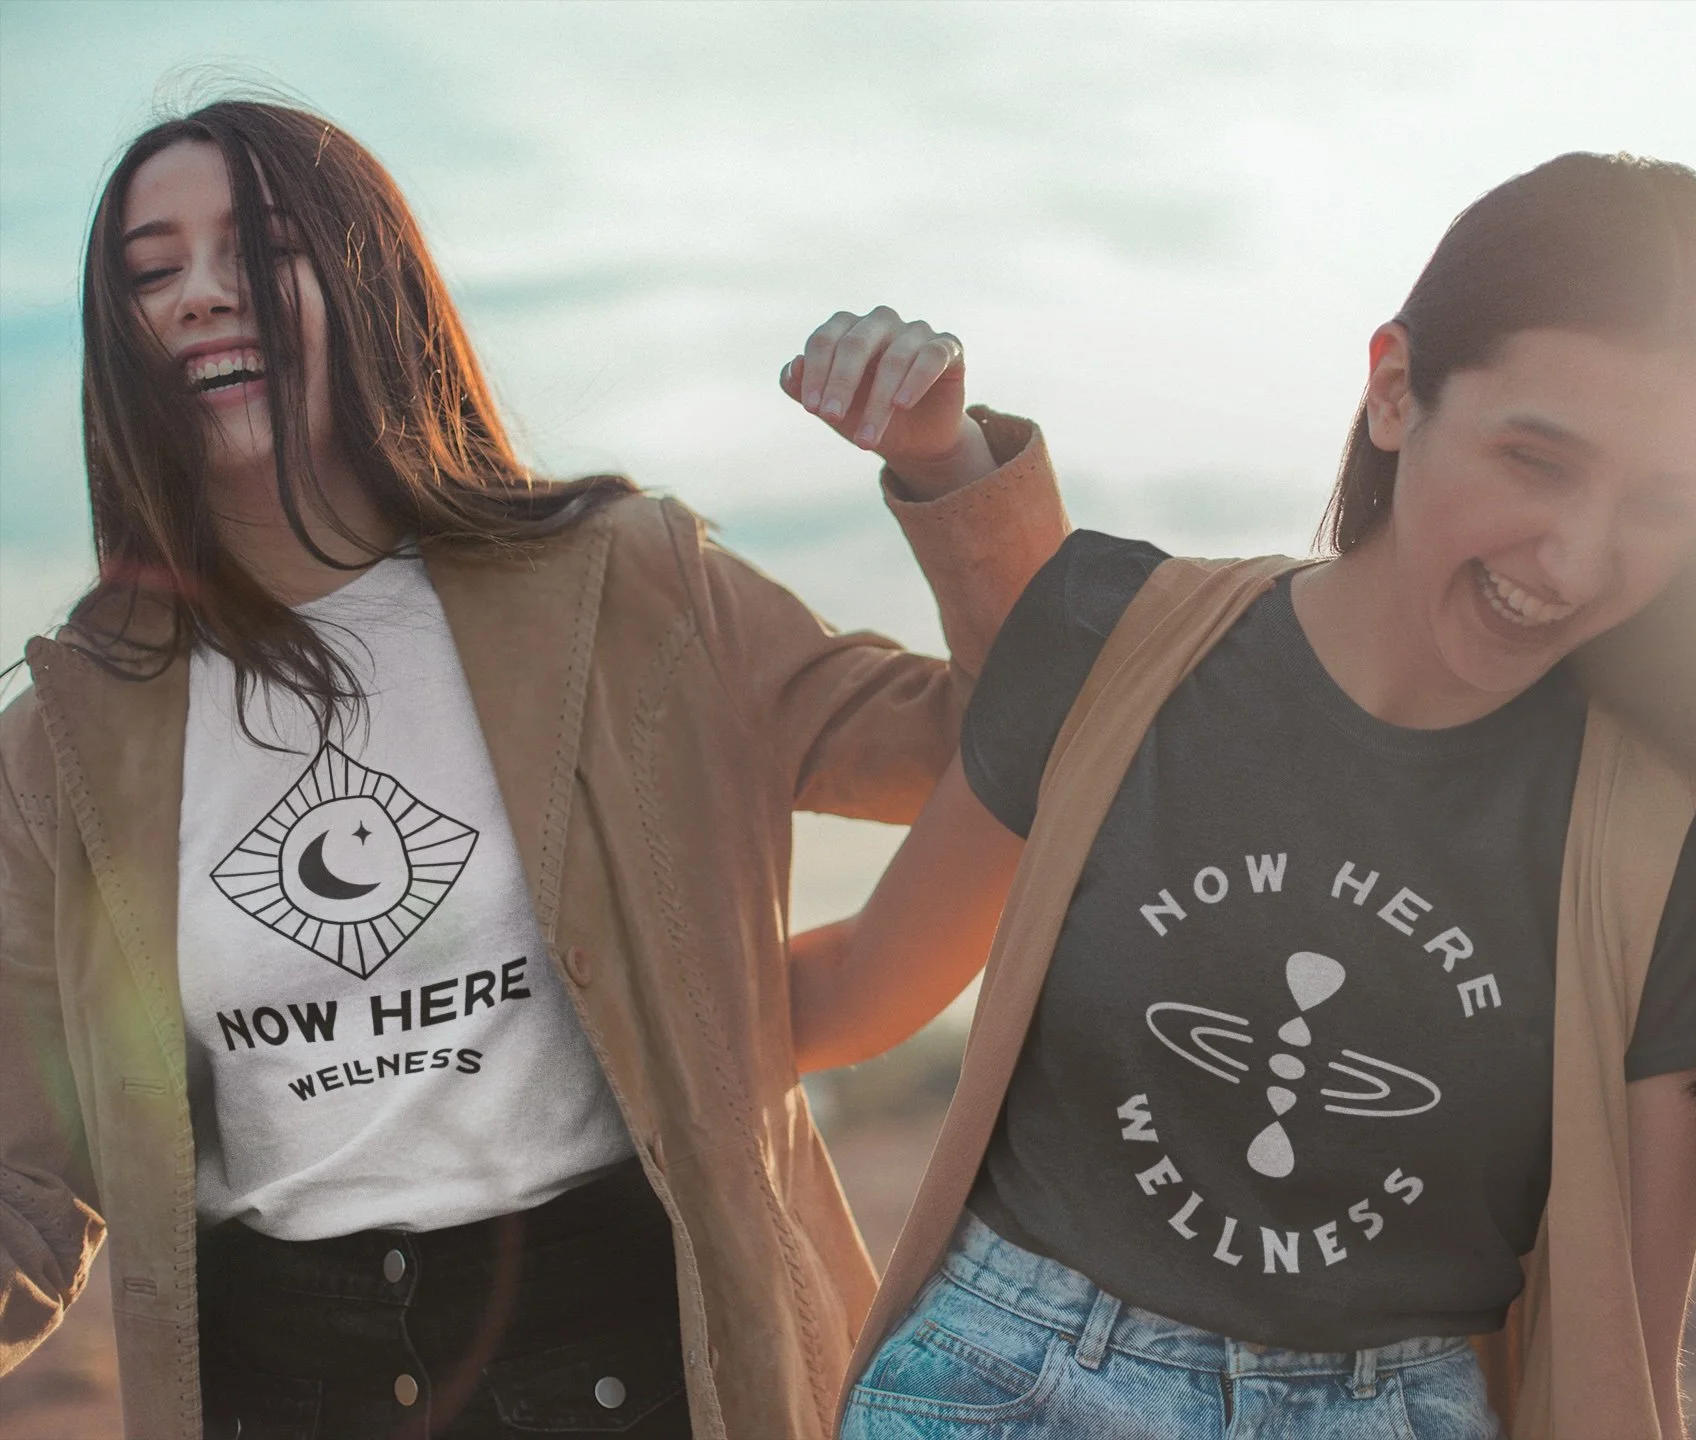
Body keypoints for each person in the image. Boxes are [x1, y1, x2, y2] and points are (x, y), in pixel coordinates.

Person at [794, 153, 1696, 1439]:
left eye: (1663, 505)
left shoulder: (1661, 844)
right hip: (1003, 1389)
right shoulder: (1111, 638)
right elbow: (850, 994)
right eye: (1537, 460)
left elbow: (1621, 1357)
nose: (1577, 560)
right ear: (1393, 390)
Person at [0, 99, 1071, 1439]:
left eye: (260, 252)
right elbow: (27, 1185)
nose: (202, 296)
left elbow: (999, 740)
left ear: (369, 282)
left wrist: (944, 464)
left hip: (640, 1366)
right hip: (282, 1391)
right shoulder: (68, 739)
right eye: (153, 272)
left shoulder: (622, 589)